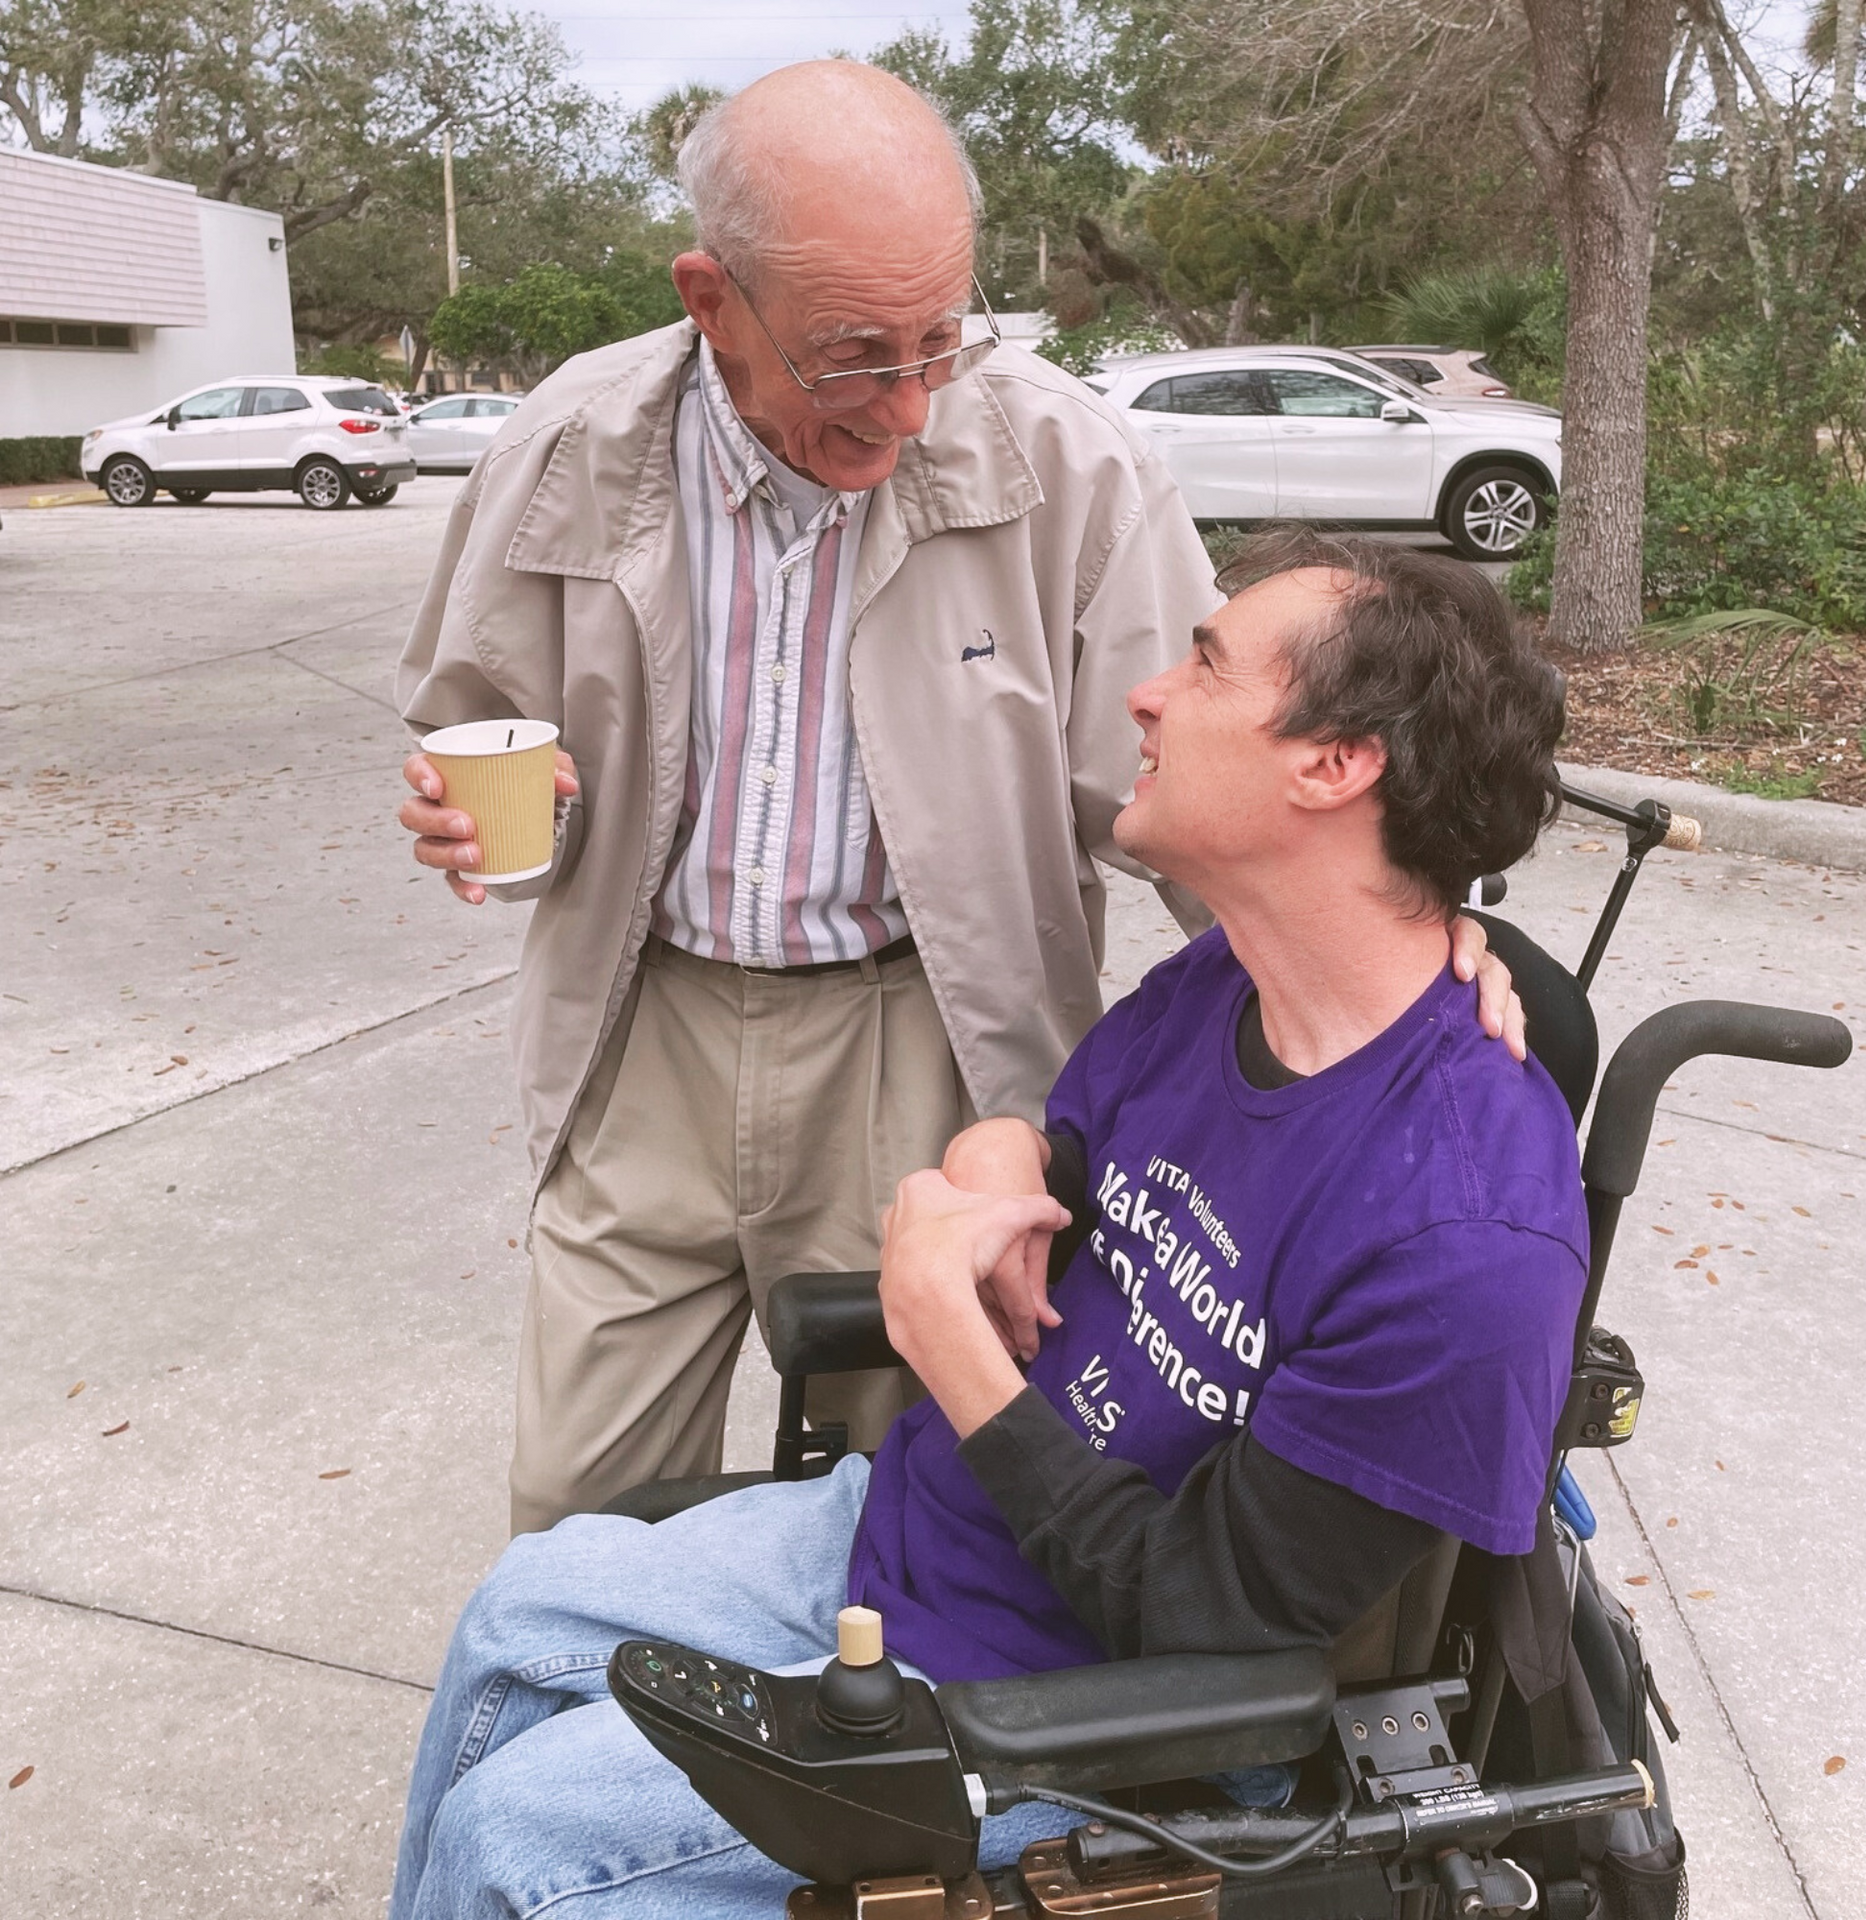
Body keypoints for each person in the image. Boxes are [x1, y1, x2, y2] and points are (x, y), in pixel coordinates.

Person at [393, 60, 1524, 1532]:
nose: (915, 408)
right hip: (642, 1027)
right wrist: (476, 821)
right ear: (711, 299)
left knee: (916, 1507)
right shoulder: (572, 443)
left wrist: (1403, 941)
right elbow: (480, 734)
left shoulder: (1067, 460)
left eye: (944, 336)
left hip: (928, 1041)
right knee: (574, 1504)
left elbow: (1216, 783)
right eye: (858, 355)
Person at [389, 535, 1589, 1919]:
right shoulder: (1226, 985)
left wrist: (949, 1346)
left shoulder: (1466, 1242)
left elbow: (1218, 1636)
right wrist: (991, 1152)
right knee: (518, 1610)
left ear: (1335, 765)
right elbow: (1057, 1145)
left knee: (518, 1840)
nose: (1143, 694)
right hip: (912, 1543)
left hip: (1066, 1723)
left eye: (1203, 664)